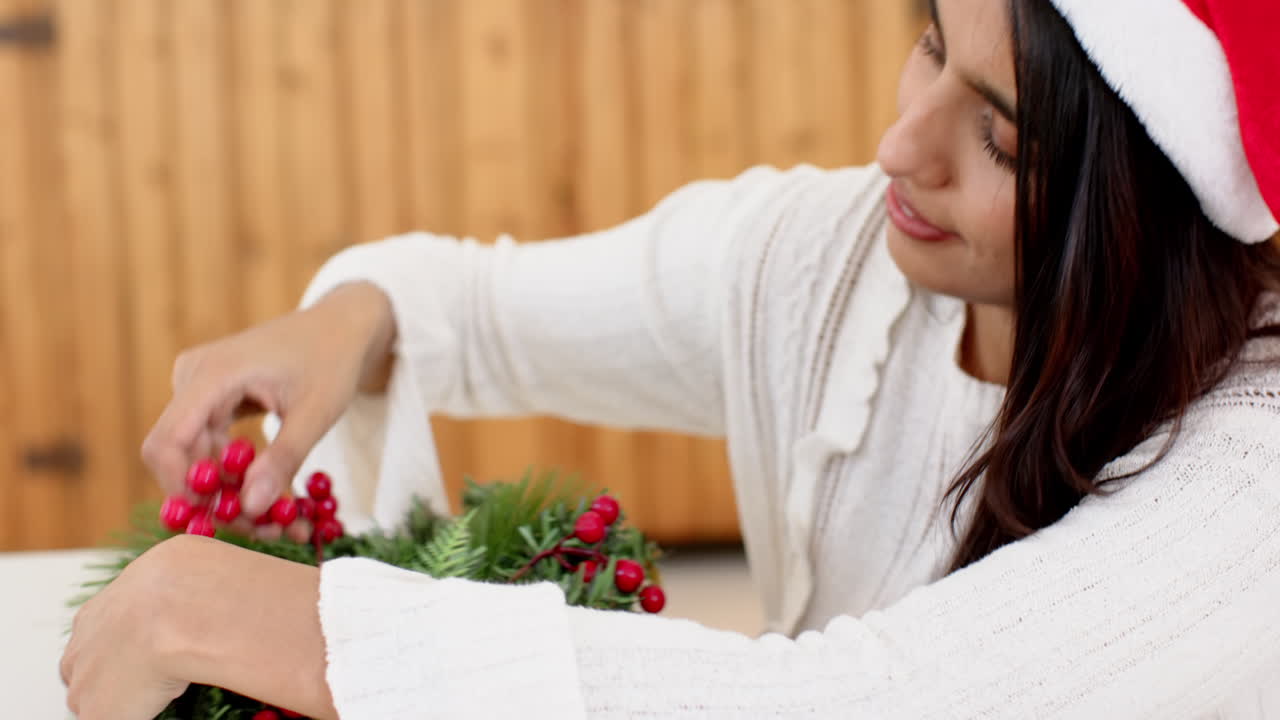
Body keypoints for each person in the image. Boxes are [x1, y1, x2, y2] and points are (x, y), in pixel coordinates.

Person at [60, 0, 1280, 717]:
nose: (898, 146)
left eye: (1001, 142)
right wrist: (349, 317)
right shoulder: (830, 258)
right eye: (925, 42)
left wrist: (280, 622)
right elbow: (472, 308)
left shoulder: (1247, 489)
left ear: (1144, 228)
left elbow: (859, 706)